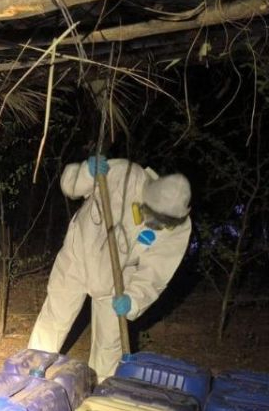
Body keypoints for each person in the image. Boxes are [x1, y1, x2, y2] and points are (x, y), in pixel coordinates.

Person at [28, 155, 192, 380]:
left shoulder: (179, 230)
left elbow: (155, 272)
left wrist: (134, 299)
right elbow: (70, 186)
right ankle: (30, 370)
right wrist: (86, 172)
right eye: (153, 215)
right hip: (78, 257)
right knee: (55, 317)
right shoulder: (122, 174)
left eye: (163, 222)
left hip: (119, 280)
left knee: (110, 343)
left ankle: (102, 391)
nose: (156, 224)